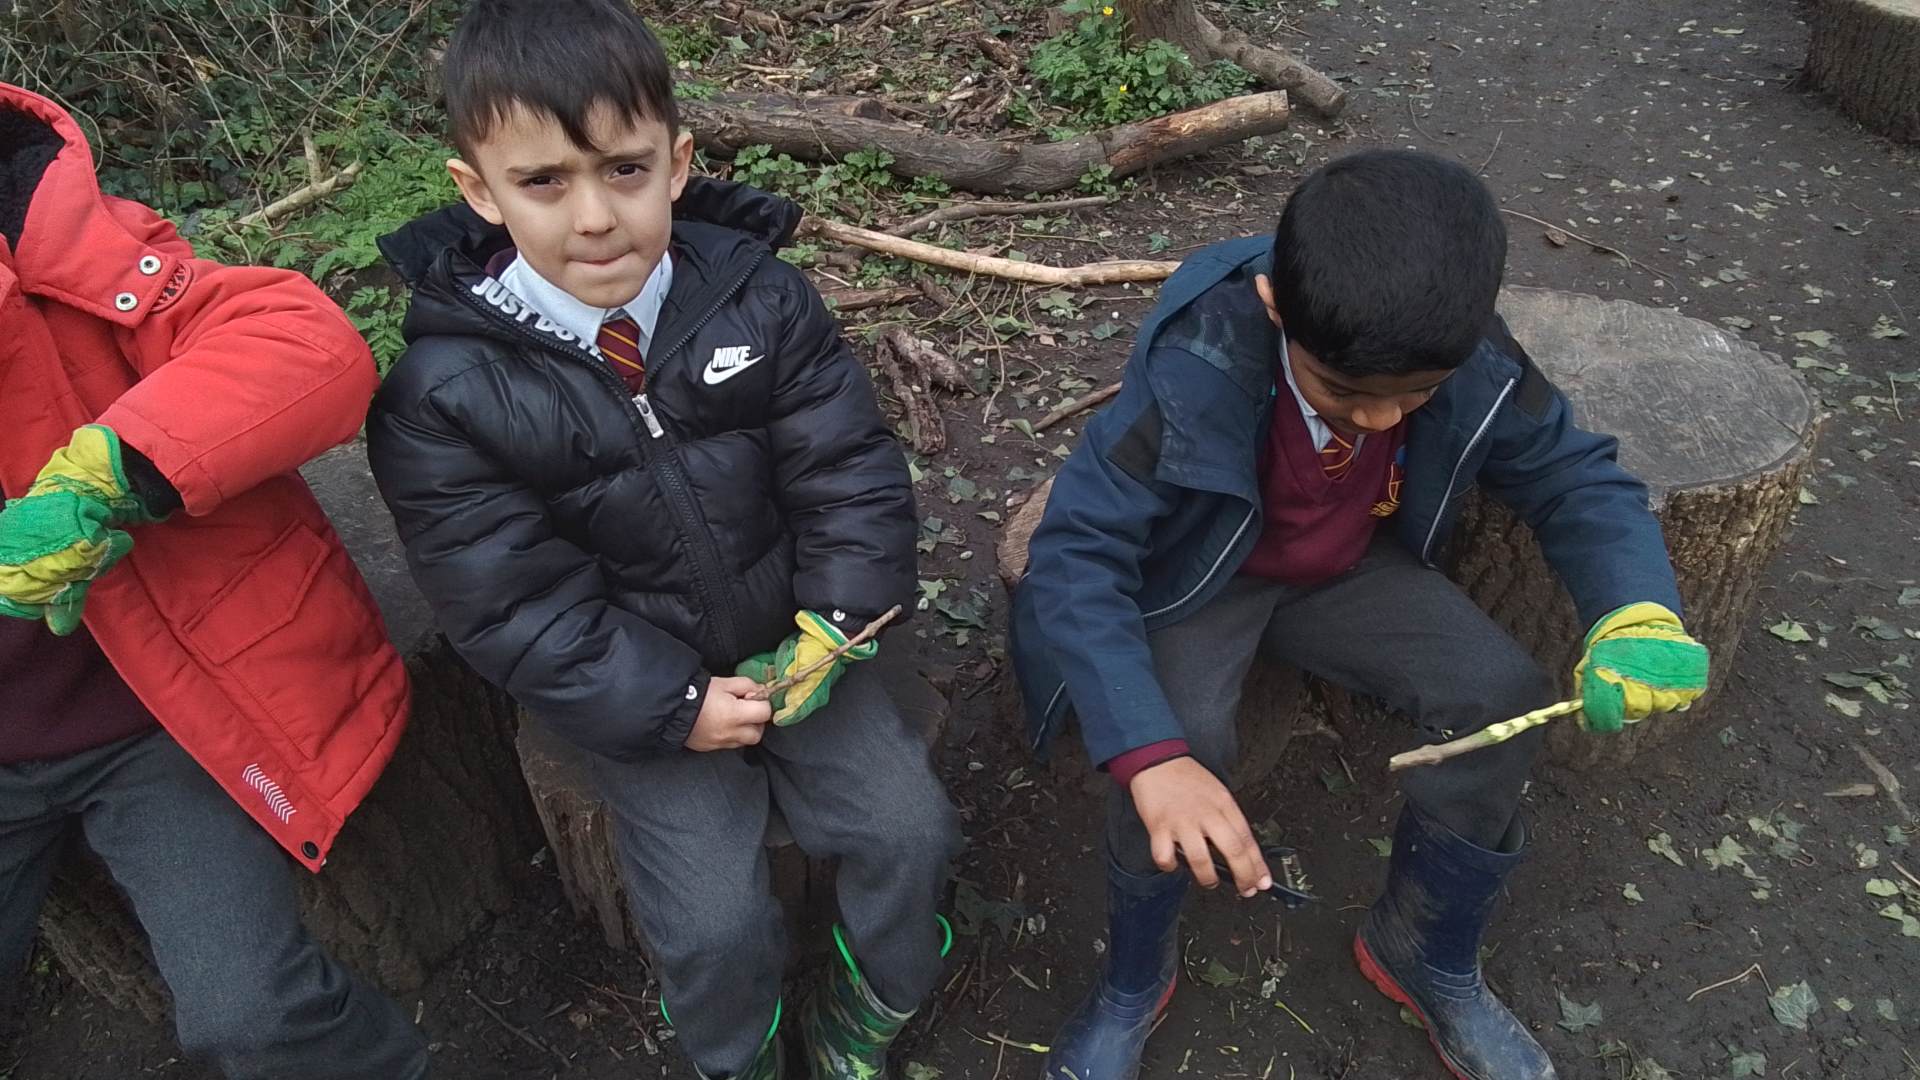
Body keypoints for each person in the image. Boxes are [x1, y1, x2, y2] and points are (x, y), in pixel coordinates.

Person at [1011, 149, 1710, 1080]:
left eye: (1413, 397)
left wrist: (1636, 609)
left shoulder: (1469, 351)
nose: (1380, 420)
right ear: (1275, 307)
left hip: (1345, 567)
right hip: (1200, 575)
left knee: (1498, 693)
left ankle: (1421, 946)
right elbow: (1077, 551)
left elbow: (1573, 476)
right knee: (1179, 744)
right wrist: (1150, 757)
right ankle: (1133, 979)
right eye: (1343, 393)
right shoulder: (1199, 358)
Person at [364, 2, 960, 1077]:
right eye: (544, 182)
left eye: (625, 170)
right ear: (479, 191)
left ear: (678, 165)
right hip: (636, 692)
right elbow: (509, 602)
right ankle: (738, 1053)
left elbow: (848, 471)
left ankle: (882, 993)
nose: (595, 218)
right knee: (710, 918)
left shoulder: (759, 298)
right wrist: (675, 705)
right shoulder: (444, 395)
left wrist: (836, 620)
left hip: (800, 644)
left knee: (909, 828)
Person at [0, 82, 426, 1077]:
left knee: (253, 1017)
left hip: (152, 722)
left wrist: (115, 468)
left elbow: (306, 344)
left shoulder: (64, 244)